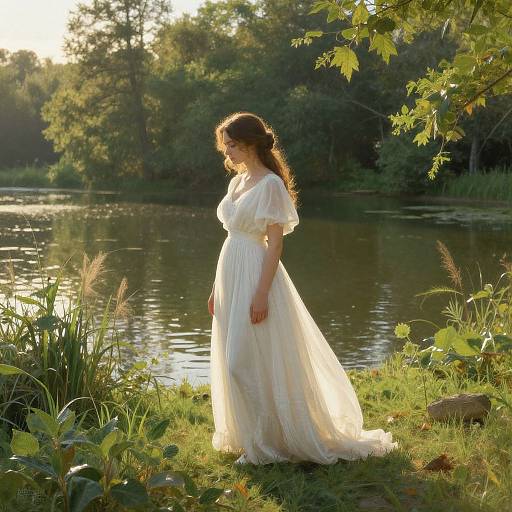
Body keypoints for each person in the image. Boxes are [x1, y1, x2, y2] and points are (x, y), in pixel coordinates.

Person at [208, 111, 398, 465]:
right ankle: (250, 436)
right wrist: (214, 288)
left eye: (232, 146)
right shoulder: (237, 183)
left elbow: (275, 244)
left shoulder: (270, 185)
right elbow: (231, 235)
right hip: (229, 270)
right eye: (226, 147)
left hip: (255, 271)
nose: (227, 153)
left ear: (250, 144)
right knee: (234, 356)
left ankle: (267, 444)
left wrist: (262, 293)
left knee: (243, 361)